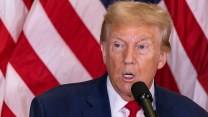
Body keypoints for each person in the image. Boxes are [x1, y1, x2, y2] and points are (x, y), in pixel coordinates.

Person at [29, 1, 208, 117]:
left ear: (161, 57)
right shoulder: (53, 109)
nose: (128, 58)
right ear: (104, 51)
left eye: (141, 47)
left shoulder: (191, 114)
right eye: (118, 45)